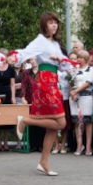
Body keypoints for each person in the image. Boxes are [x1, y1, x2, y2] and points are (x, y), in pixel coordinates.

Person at [11, 12, 71, 176]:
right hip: (45, 81)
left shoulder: (55, 44)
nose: (54, 25)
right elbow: (25, 52)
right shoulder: (40, 40)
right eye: (50, 22)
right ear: (44, 25)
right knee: (61, 123)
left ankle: (43, 162)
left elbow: (64, 65)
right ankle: (25, 120)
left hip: (53, 81)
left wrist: (62, 61)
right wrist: (14, 57)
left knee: (53, 125)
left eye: (56, 22)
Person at [69, 50, 93, 155]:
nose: (79, 60)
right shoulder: (73, 69)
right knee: (77, 121)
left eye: (81, 58)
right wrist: (73, 93)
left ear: (86, 59)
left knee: (87, 121)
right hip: (74, 98)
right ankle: (79, 145)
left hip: (86, 97)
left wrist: (76, 91)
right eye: (78, 58)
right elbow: (70, 82)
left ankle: (88, 146)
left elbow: (88, 83)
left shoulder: (90, 69)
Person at [54, 53, 78, 154]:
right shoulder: (54, 68)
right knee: (53, 122)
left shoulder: (71, 69)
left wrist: (70, 74)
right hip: (54, 98)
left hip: (65, 98)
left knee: (65, 123)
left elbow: (73, 83)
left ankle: (63, 144)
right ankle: (56, 145)